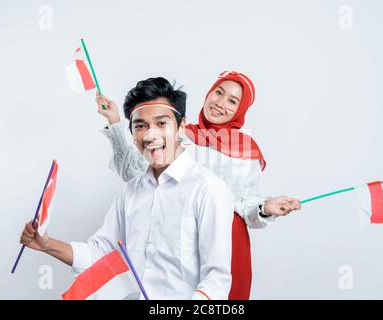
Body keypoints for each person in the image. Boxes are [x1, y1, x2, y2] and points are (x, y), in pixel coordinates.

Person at [20, 77, 234, 300]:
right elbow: (99, 253)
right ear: (132, 135)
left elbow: (216, 281)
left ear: (181, 127)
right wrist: (47, 244)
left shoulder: (209, 189)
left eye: (161, 124)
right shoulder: (131, 192)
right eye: (140, 126)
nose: (150, 135)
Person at [96, 71, 302, 299]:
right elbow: (131, 171)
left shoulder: (245, 150)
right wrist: (114, 122)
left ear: (241, 109)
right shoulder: (179, 134)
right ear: (209, 92)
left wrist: (264, 207)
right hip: (179, 239)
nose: (221, 103)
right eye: (219, 93)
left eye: (232, 101)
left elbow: (244, 204)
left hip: (228, 240)